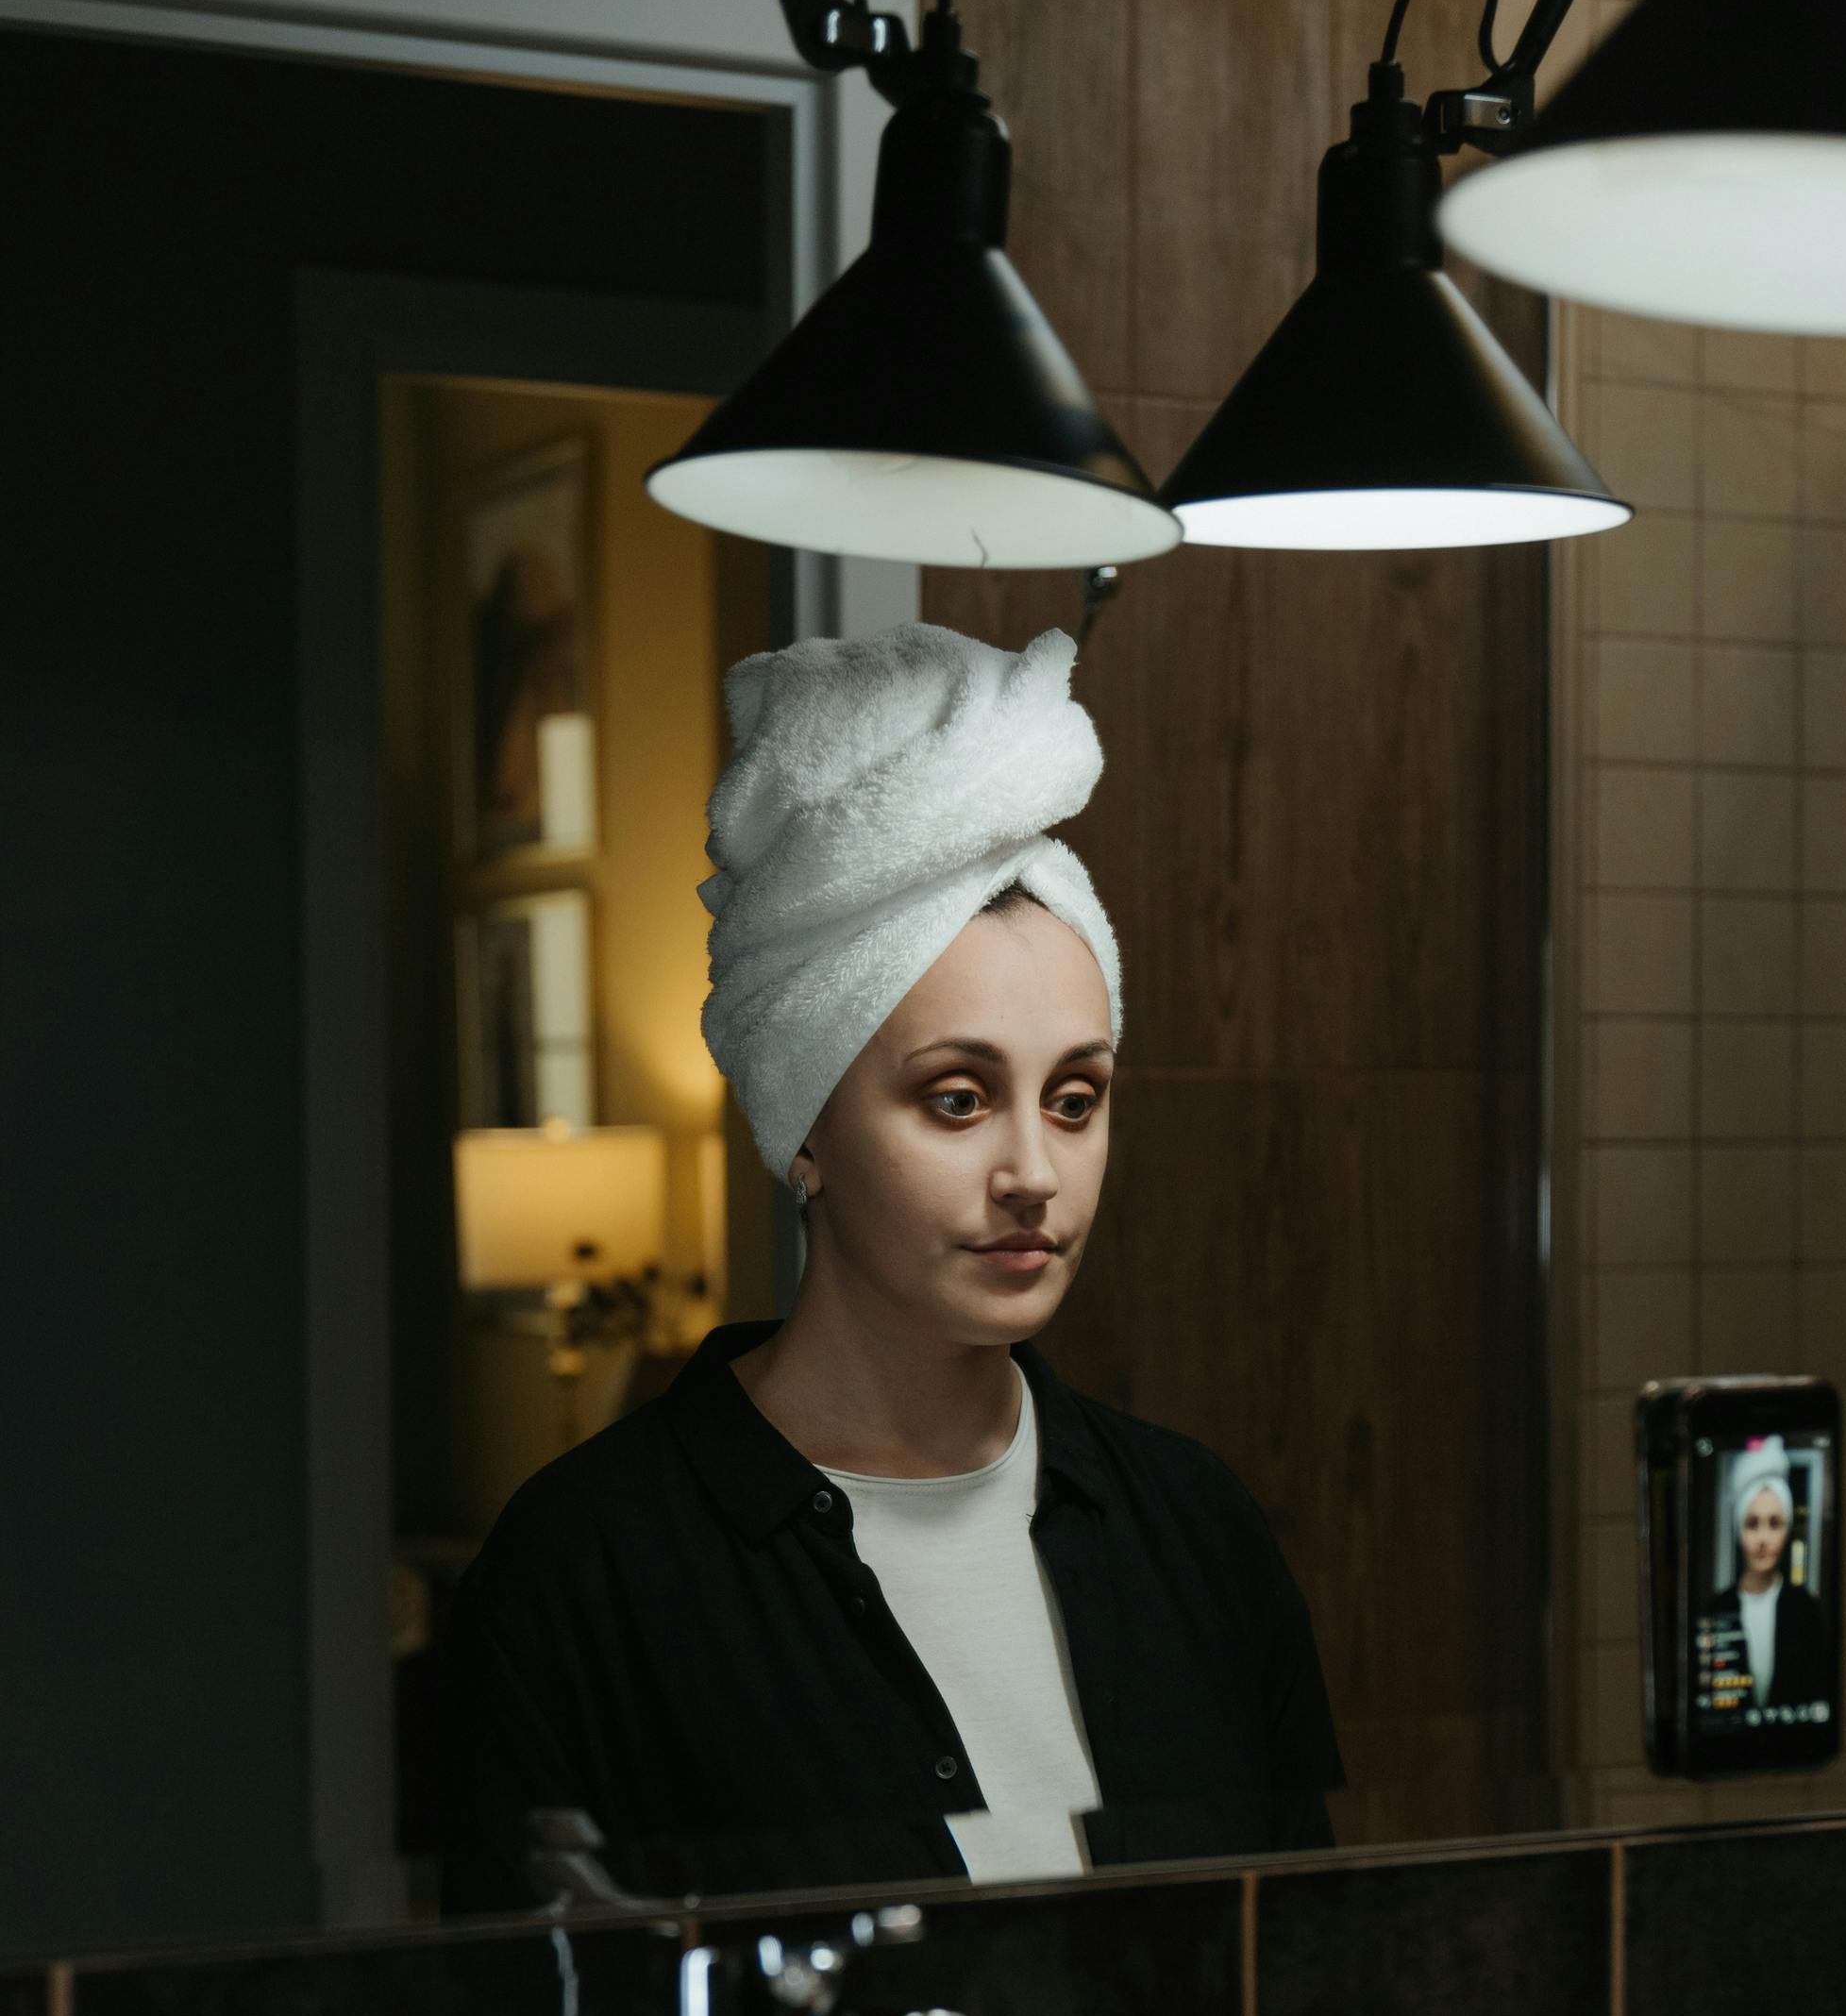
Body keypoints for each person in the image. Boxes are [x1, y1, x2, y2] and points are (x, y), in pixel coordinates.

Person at [443, 619, 1341, 1908]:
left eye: (1076, 1098)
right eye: (959, 1098)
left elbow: (1303, 1980)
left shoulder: (1196, 1534)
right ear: (805, 1128)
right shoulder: (586, 1576)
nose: (1035, 1168)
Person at [1703, 1437, 1832, 1716]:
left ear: (1786, 1530)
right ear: (1739, 1531)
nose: (1763, 1539)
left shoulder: (1806, 1609)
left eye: (1774, 1523)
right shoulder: (1718, 1610)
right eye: (1752, 1524)